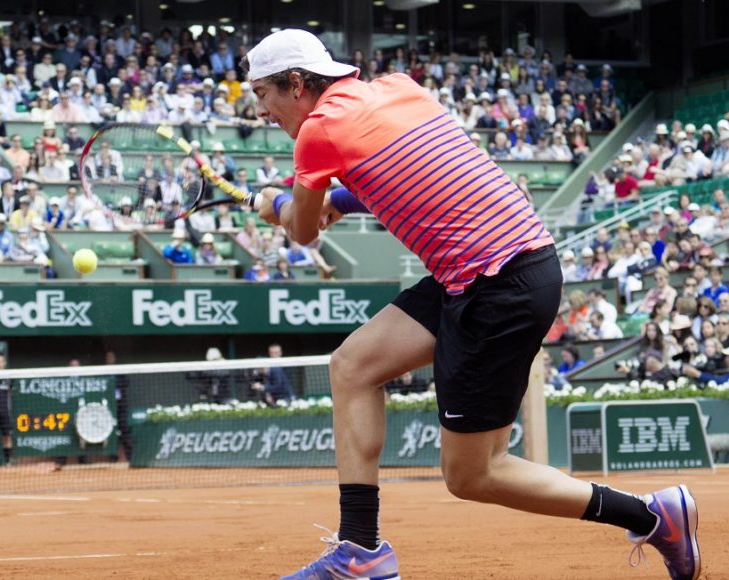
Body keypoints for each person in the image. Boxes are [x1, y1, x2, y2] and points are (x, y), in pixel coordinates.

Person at [245, 29, 698, 580]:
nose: (261, 111)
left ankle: (652, 516)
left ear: (296, 84)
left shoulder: (317, 131)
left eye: (263, 94)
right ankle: (361, 551)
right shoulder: (399, 88)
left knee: (474, 475)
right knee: (353, 366)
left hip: (497, 285)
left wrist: (274, 203)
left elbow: (302, 231)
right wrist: (339, 197)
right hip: (496, 268)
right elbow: (410, 169)